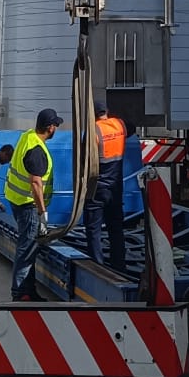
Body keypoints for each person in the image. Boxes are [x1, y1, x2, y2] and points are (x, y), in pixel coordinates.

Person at [4, 107, 64, 300]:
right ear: (50, 128)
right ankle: (19, 292)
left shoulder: (27, 136)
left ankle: (28, 291)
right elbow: (36, 183)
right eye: (55, 125)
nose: (56, 129)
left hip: (16, 200)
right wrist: (42, 213)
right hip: (28, 205)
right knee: (26, 249)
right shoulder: (37, 150)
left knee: (29, 247)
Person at [83, 99, 128, 273]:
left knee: (93, 229)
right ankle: (119, 265)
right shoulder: (120, 125)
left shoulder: (93, 131)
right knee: (116, 227)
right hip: (116, 187)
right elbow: (130, 129)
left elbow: (85, 159)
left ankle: (97, 266)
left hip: (98, 187)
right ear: (106, 111)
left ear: (92, 114)